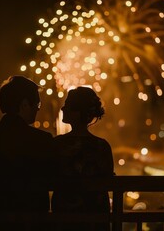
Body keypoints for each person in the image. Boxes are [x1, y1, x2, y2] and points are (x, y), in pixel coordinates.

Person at [0, 76, 53, 231]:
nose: (38, 108)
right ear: (25, 105)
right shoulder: (43, 141)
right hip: (31, 224)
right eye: (37, 104)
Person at [52, 87, 114, 231]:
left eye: (67, 105)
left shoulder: (57, 144)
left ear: (77, 112)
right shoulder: (102, 146)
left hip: (64, 219)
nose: (62, 108)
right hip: (95, 220)